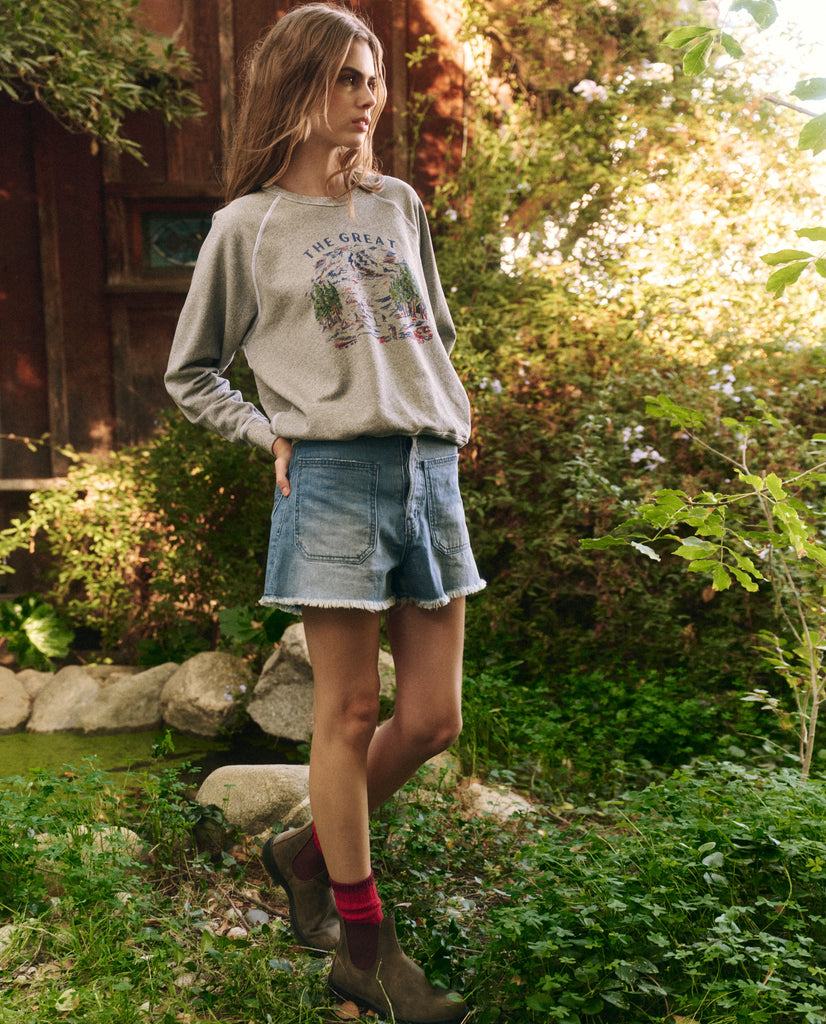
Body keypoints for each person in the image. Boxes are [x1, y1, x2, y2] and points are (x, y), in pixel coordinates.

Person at [165, 4, 484, 1021]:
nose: (368, 95)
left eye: (373, 76)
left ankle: (305, 851)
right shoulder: (246, 228)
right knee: (346, 713)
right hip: (334, 477)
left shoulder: (396, 204)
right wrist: (269, 434)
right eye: (348, 76)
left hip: (428, 470)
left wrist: (449, 410)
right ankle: (364, 948)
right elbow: (191, 372)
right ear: (296, 87)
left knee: (431, 720)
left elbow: (428, 331)